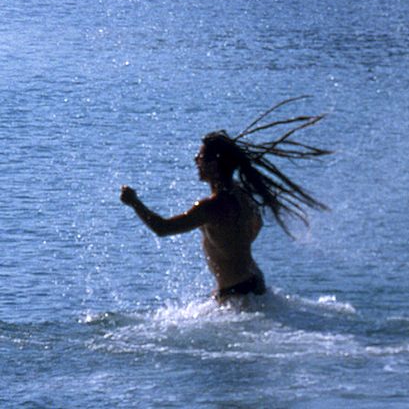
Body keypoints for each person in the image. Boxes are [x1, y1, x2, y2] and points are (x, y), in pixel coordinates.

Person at [120, 98, 330, 303]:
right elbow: (255, 227)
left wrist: (134, 202)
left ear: (214, 165)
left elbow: (162, 228)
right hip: (254, 282)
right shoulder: (243, 195)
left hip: (236, 293)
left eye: (201, 157)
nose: (196, 161)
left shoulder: (210, 207)